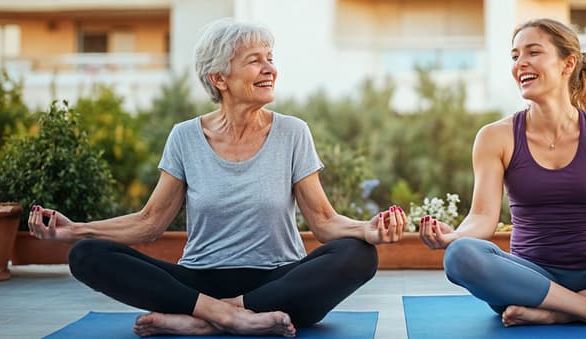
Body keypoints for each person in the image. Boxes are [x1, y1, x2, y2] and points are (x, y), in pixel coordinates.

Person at [27, 18, 407, 337]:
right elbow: (149, 223)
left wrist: (365, 230)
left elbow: (324, 222)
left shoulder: (293, 132)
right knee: (86, 256)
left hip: (278, 284)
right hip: (198, 282)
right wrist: (75, 231)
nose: (270, 68)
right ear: (219, 78)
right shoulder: (185, 137)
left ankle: (204, 321)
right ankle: (225, 316)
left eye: (270, 59)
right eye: (255, 61)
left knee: (359, 256)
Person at [417, 18, 586, 328]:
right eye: (515, 56)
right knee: (460, 255)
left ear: (568, 64)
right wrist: (454, 237)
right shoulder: (495, 137)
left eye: (533, 52)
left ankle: (558, 311)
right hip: (528, 279)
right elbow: (482, 217)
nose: (520, 64)